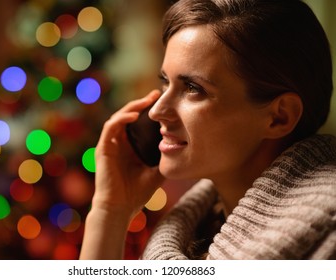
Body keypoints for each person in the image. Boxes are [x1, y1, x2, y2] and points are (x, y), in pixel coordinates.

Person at [80, 0, 336, 259]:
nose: (157, 111)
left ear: (279, 117)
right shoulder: (198, 225)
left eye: (193, 88)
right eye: (165, 81)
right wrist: (111, 211)